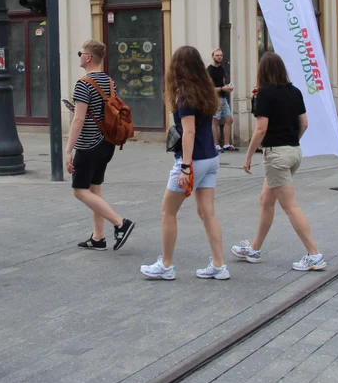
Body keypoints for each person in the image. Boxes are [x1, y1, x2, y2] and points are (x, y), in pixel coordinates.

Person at [140, 46, 229, 281]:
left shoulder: (184, 95)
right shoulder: (205, 91)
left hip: (194, 160)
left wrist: (185, 167)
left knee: (168, 211)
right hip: (211, 158)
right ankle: (219, 265)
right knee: (207, 212)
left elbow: (188, 133)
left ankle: (166, 265)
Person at [233, 52, 326, 271]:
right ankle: (254, 248)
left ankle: (314, 254)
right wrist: (292, 141)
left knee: (290, 206)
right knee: (266, 200)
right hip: (294, 152)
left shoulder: (265, 93)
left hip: (276, 156)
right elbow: (304, 123)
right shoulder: (295, 91)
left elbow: (261, 128)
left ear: (262, 71)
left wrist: (248, 156)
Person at [65, 40, 135, 251]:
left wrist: (69, 150)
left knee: (79, 190)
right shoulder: (109, 81)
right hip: (107, 142)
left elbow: (78, 120)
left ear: (88, 57)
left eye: (80, 52)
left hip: (89, 145)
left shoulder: (83, 83)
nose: (79, 56)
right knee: (95, 188)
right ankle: (98, 238)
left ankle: (120, 223)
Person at [207, 48, 236, 151]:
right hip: (215, 98)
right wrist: (222, 88)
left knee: (229, 119)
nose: (219, 57)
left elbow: (223, 83)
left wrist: (227, 88)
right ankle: (215, 144)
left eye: (221, 55)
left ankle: (226, 144)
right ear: (213, 56)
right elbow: (209, 89)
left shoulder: (221, 69)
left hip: (223, 98)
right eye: (217, 55)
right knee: (215, 121)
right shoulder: (209, 70)